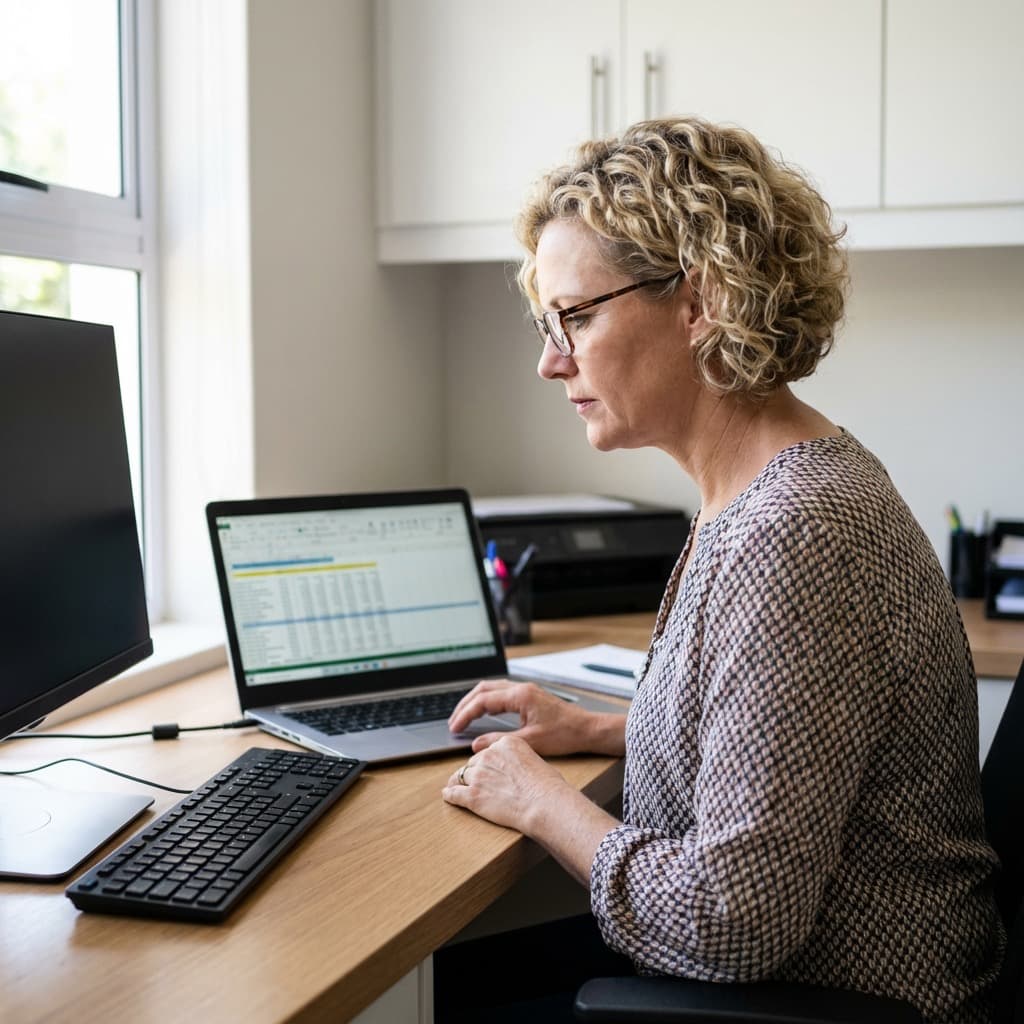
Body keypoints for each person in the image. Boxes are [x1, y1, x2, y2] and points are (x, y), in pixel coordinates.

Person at [434, 117, 1004, 1023]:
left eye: (573, 318)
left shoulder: (793, 533)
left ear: (701, 302)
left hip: (836, 998)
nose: (550, 361)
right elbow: (791, 738)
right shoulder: (777, 482)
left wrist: (543, 804)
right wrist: (602, 729)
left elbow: (732, 921)